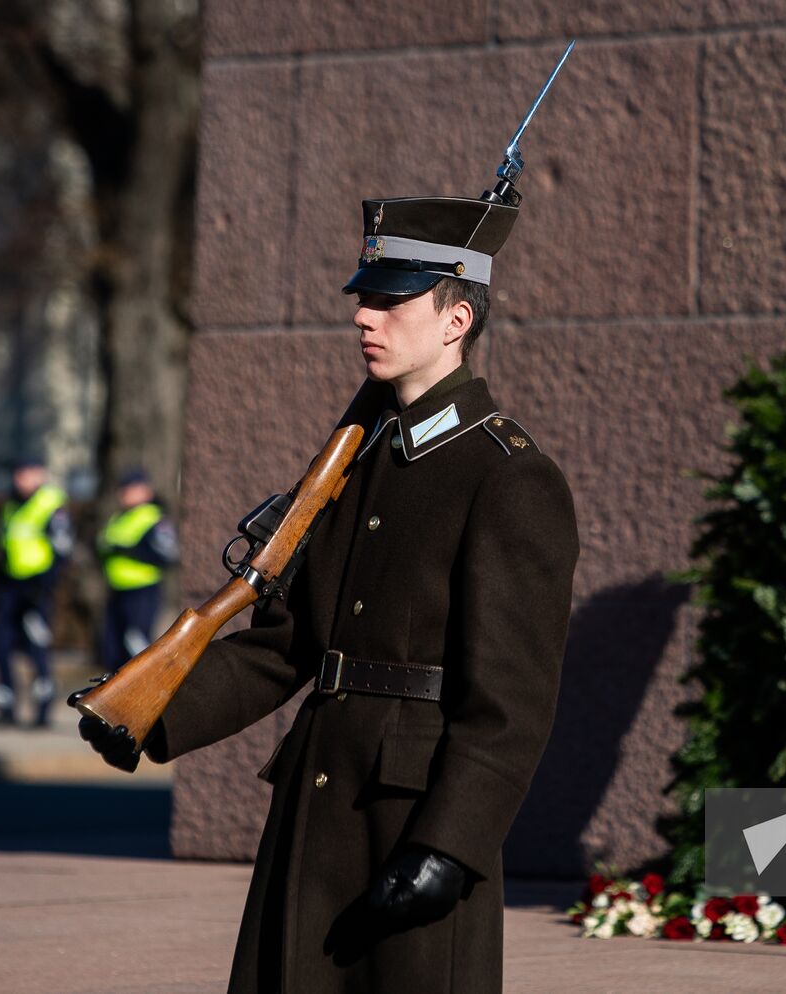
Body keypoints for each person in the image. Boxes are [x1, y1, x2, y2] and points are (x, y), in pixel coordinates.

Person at [75, 190, 580, 994]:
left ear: (457, 320)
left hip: (409, 821)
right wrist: (152, 712)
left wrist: (450, 844)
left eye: (390, 299)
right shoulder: (356, 467)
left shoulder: (509, 478)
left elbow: (511, 704)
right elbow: (289, 645)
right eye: (363, 298)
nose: (363, 317)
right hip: (318, 804)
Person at [0, 456, 74, 727]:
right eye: (18, 474)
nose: (20, 480)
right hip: (10, 586)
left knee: (37, 647)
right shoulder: (12, 505)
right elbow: (5, 545)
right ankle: (5, 706)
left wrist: (46, 585)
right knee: (1, 646)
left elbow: (62, 549)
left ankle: (42, 708)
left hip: (36, 588)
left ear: (39, 475)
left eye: (26, 474)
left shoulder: (50, 505)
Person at [97, 468, 178, 672]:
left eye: (132, 489)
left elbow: (166, 555)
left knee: (136, 647)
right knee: (112, 650)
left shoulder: (154, 518)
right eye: (123, 490)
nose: (126, 494)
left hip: (142, 591)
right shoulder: (118, 518)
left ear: (146, 491)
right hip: (117, 591)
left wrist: (129, 551)